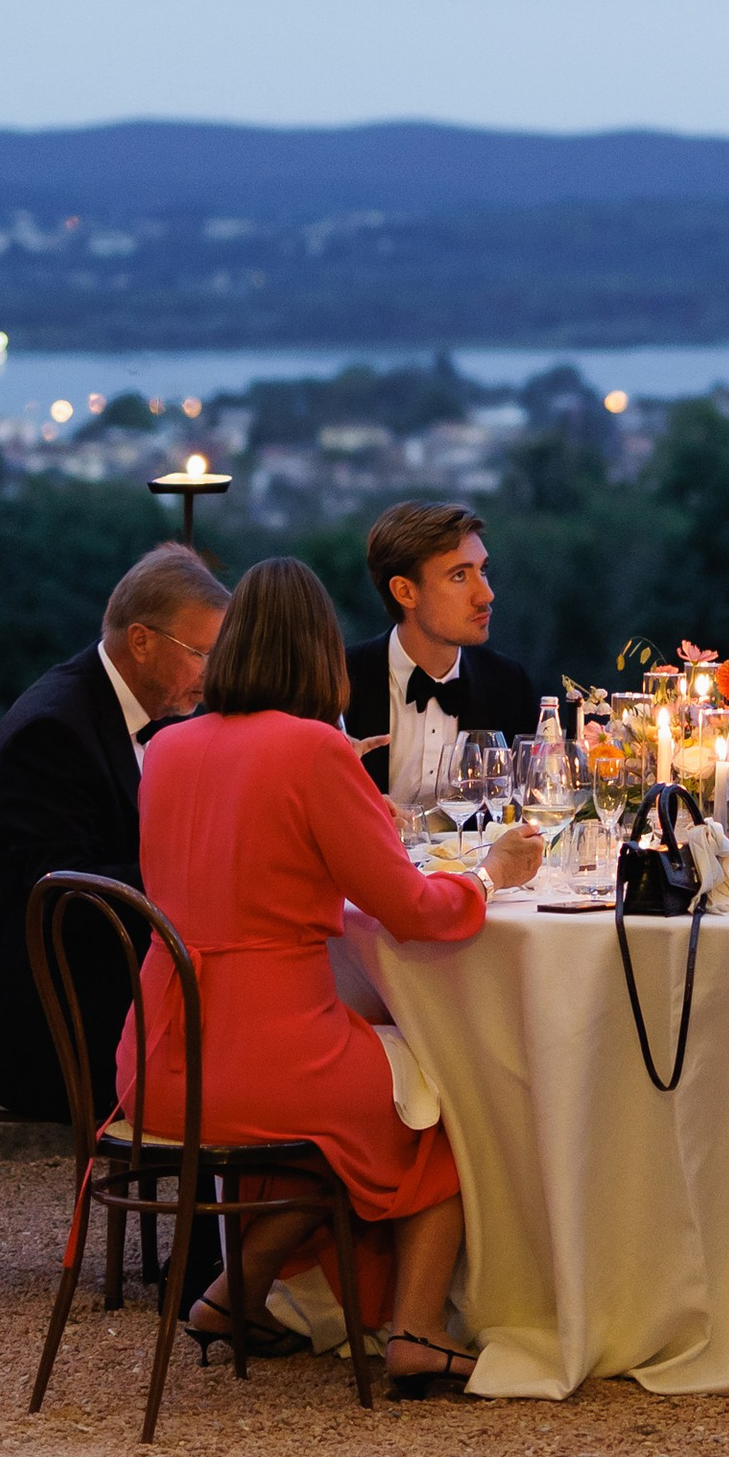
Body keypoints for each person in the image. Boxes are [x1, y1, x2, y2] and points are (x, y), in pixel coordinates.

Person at [122, 557, 540, 1394]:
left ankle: (228, 1296)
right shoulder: (315, 751)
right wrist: (492, 875)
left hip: (162, 1059)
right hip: (268, 1061)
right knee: (444, 1096)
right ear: (319, 654)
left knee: (329, 1132)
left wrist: (350, 802)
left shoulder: (166, 747)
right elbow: (415, 910)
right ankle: (418, 1331)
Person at [0, 543, 230, 1122]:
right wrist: (203, 874)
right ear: (141, 641)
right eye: (202, 653)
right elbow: (63, 896)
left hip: (103, 981)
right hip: (50, 1021)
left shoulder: (132, 712)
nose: (212, 676)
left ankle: (228, 1211)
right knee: (250, 1055)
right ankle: (226, 1209)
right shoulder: (54, 730)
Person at [343, 500, 547, 816]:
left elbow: (530, 808)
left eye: (483, 570)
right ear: (405, 592)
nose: (486, 595)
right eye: (459, 576)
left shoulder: (508, 685)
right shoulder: (340, 681)